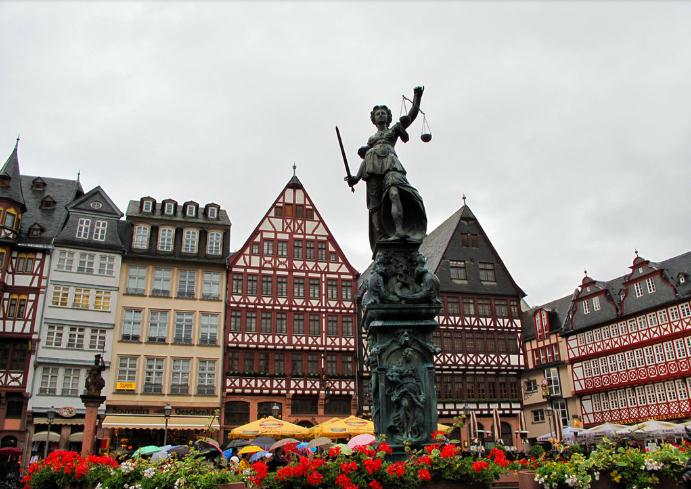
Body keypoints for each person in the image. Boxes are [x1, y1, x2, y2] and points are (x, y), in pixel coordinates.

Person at [346, 86, 428, 251]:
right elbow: (366, 159)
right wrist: (356, 178)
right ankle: (381, 239)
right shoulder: (371, 139)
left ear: (388, 117)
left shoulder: (394, 129)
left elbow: (410, 116)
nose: (380, 115)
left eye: (383, 113)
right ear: (374, 119)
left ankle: (399, 230)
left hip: (391, 164)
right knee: (375, 206)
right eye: (377, 114)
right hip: (372, 168)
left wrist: (417, 97)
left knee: (394, 193)